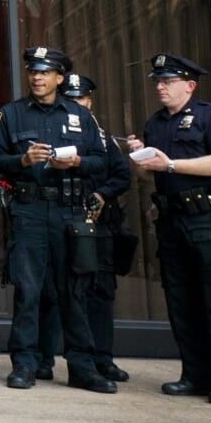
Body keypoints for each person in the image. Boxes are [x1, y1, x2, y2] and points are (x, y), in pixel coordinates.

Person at [0, 47, 116, 393]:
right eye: (33, 71)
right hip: (30, 210)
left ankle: (82, 367)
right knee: (28, 291)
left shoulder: (80, 116)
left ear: (60, 77)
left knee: (73, 291)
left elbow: (102, 162)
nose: (37, 78)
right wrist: (23, 161)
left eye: (45, 72)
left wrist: (76, 164)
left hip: (69, 212)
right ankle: (25, 364)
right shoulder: (11, 114)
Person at [125, 54, 211, 405]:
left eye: (168, 81)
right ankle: (194, 375)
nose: (160, 87)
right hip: (173, 222)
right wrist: (139, 158)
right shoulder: (156, 123)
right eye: (157, 81)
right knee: (182, 302)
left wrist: (173, 164)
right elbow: (150, 176)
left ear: (189, 85)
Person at [59, 73, 133, 384]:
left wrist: (102, 195)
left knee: (100, 293)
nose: (77, 105)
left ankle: (102, 358)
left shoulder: (102, 138)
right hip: (63, 220)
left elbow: (121, 175)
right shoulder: (56, 133)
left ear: (90, 102)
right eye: (71, 100)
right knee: (63, 292)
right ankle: (50, 358)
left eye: (82, 100)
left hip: (98, 224)